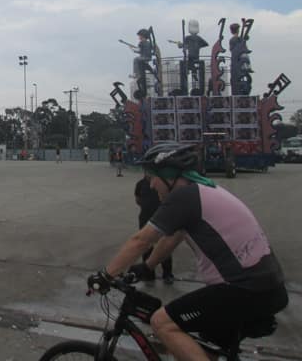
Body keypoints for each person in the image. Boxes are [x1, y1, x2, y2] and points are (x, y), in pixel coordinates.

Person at [90, 142, 287, 359]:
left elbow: (140, 240)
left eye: (153, 177)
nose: (152, 185)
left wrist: (105, 276)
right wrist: (147, 266)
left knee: (162, 323)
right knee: (198, 348)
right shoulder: (204, 189)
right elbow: (173, 236)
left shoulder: (184, 197)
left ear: (170, 176)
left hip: (244, 288)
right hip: (266, 286)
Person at [134, 171, 174, 284]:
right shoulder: (140, 184)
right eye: (146, 171)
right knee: (146, 248)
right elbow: (137, 199)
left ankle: (167, 274)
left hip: (163, 219)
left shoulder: (162, 183)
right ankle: (148, 275)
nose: (148, 173)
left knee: (164, 247)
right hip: (145, 219)